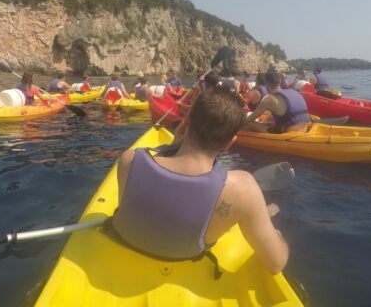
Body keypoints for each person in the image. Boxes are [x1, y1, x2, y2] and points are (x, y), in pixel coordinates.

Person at [111, 88, 289, 274]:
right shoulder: (242, 189)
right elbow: (276, 264)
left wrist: (173, 147)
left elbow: (164, 195)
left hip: (125, 254)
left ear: (186, 123)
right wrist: (277, 236)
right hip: (186, 262)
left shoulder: (130, 160)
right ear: (230, 142)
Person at [245, 71, 311, 133]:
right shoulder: (294, 92)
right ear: (280, 81)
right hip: (305, 127)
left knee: (248, 123)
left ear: (266, 83)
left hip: (290, 132)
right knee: (271, 123)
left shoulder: (269, 99)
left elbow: (249, 119)